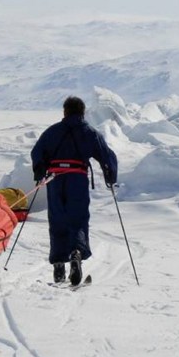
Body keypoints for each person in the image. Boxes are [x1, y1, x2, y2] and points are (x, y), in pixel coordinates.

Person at [31, 96, 118, 285]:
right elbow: (107, 155)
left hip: (55, 180)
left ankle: (59, 267)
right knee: (77, 219)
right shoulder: (89, 132)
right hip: (77, 179)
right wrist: (110, 177)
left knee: (57, 219)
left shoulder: (52, 132)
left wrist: (40, 172)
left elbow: (37, 152)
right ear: (82, 112)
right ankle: (76, 253)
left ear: (65, 111)